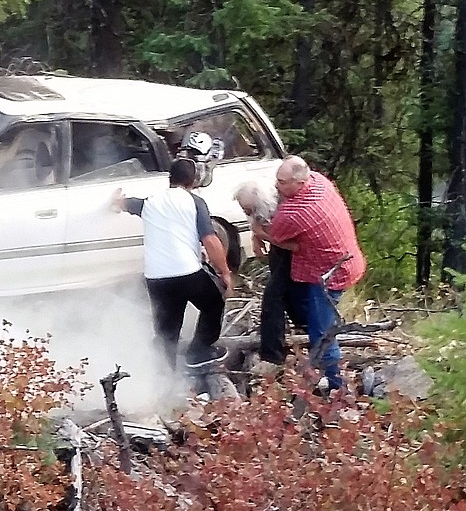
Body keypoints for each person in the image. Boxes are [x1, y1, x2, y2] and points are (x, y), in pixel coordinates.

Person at [255, 156, 365, 390]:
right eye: (277, 179)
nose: (277, 186)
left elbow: (273, 234)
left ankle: (338, 388)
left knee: (322, 333)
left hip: (330, 275)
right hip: (341, 261)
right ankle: (322, 375)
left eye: (282, 182)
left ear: (300, 183)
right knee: (308, 315)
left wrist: (258, 232)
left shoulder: (296, 213)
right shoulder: (318, 181)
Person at [112, 158, 233, 368]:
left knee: (166, 331)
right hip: (187, 274)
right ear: (193, 181)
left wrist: (116, 201)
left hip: (156, 278)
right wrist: (225, 272)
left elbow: (124, 203)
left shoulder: (149, 202)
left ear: (170, 178)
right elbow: (210, 240)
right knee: (213, 303)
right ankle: (199, 352)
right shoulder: (194, 202)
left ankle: (164, 380)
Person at [234, 181, 307, 365]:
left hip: (291, 254)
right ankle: (301, 328)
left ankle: (272, 354)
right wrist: (256, 236)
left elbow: (293, 246)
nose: (246, 213)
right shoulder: (259, 209)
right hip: (277, 249)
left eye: (248, 209)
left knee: (272, 298)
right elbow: (256, 222)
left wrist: (263, 235)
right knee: (284, 294)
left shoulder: (282, 211)